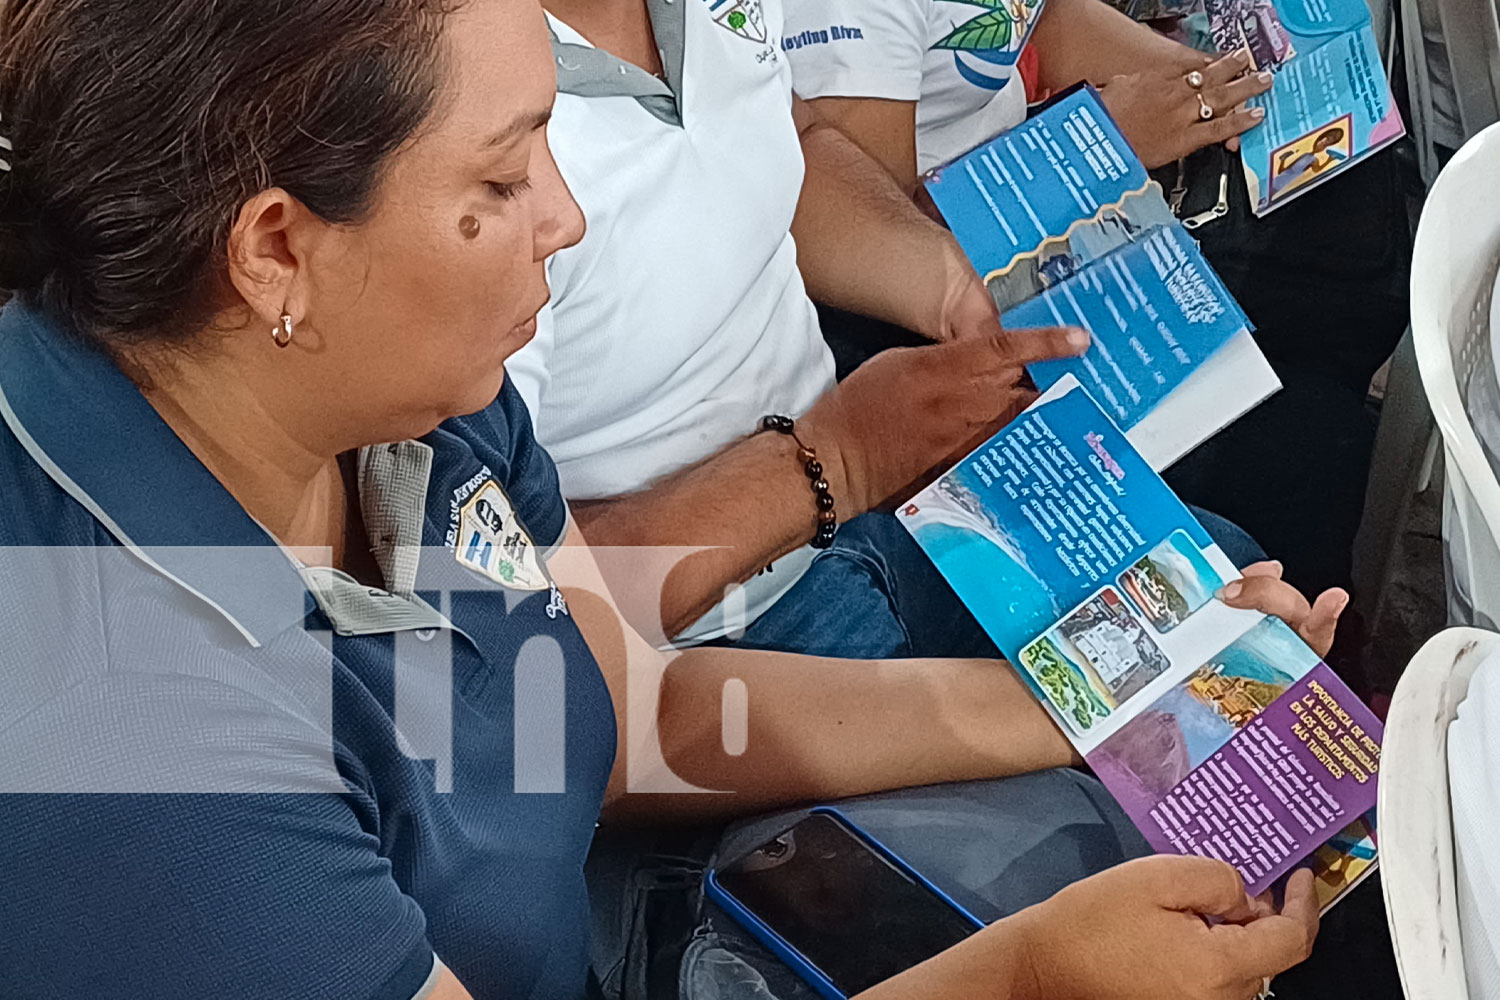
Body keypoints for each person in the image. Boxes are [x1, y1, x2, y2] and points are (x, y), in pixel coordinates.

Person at [0, 0, 1336, 997]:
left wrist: (1112, 694)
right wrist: (1023, 979)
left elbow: (624, 712)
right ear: (279, 248)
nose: (566, 219)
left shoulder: (412, 405)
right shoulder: (132, 741)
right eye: (505, 175)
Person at [506, 0, 1269, 658]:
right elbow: (514, 628)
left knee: (1235, 612)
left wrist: (960, 294)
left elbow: (791, 135)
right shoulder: (468, 130)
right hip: (706, 638)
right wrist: (844, 455)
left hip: (858, 504)